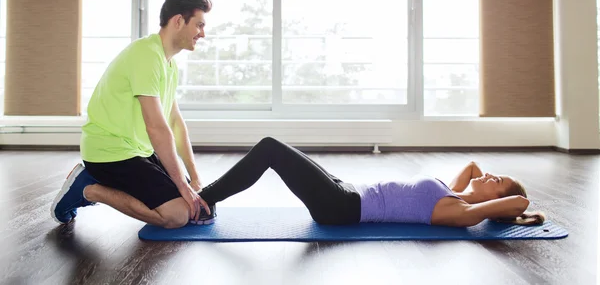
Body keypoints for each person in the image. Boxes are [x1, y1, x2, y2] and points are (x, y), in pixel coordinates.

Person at [51, 0, 214, 229]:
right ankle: (88, 188)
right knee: (177, 215)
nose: (202, 33)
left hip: (137, 151)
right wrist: (181, 184)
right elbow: (157, 127)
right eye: (199, 25)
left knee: (198, 207)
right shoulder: (146, 55)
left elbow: (175, 123)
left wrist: (195, 180)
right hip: (109, 151)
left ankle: (98, 186)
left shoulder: (168, 65)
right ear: (179, 21)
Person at [195, 137, 545, 227]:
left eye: (500, 181)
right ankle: (206, 198)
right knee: (286, 151)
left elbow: (520, 204)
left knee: (271, 149)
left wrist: (497, 210)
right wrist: (483, 186)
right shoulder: (456, 193)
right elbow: (470, 167)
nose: (491, 176)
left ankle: (203, 200)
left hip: (342, 206)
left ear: (495, 202)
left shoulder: (460, 211)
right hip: (347, 190)